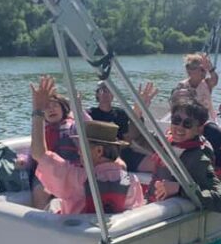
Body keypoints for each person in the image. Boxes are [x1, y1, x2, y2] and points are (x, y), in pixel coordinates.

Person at [30, 76, 145, 215]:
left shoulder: (76, 180)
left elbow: (39, 154)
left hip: (76, 234)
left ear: (98, 151)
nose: (79, 152)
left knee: (53, 205)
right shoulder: (132, 181)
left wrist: (37, 110)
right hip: (115, 231)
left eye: (83, 147)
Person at [149, 98, 221, 213]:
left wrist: (179, 188)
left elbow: (219, 201)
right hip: (152, 208)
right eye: (176, 120)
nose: (180, 127)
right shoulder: (167, 143)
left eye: (187, 124)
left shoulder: (200, 158)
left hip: (172, 218)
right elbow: (135, 137)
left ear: (198, 129)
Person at [30, 88, 81, 209]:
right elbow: (33, 153)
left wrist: (78, 108)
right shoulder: (41, 131)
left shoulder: (74, 127)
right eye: (47, 107)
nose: (51, 109)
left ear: (63, 109)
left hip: (70, 171)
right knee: (41, 191)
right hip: (47, 173)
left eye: (55, 106)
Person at [177, 53, 219, 122]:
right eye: (202, 69)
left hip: (207, 120)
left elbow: (215, 80)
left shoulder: (207, 83)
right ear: (189, 71)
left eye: (205, 69)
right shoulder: (182, 85)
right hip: (189, 120)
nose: (205, 72)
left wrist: (210, 68)